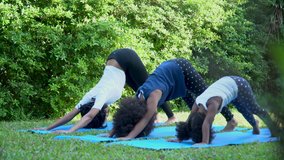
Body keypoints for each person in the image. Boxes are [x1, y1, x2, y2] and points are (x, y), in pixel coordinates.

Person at [34, 48, 175, 133]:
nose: (108, 114)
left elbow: (88, 116)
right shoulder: (89, 96)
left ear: (102, 111)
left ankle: (171, 116)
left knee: (150, 87)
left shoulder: (102, 95)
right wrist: (47, 128)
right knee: (141, 90)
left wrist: (70, 131)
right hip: (115, 61)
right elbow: (71, 114)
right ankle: (156, 115)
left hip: (125, 58)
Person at [111, 58, 237, 139]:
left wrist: (130, 136)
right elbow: (125, 115)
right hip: (171, 76)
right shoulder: (139, 97)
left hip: (181, 68)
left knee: (206, 94)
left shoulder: (153, 96)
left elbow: (145, 119)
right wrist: (114, 131)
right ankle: (186, 135)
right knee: (193, 109)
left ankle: (231, 120)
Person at [175, 76, 275, 144]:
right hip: (227, 85)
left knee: (253, 108)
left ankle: (275, 130)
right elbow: (188, 122)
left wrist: (204, 142)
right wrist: (180, 138)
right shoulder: (196, 104)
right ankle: (255, 126)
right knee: (242, 109)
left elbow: (207, 123)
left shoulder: (212, 104)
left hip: (239, 85)